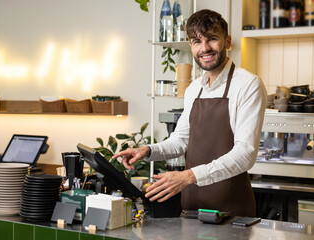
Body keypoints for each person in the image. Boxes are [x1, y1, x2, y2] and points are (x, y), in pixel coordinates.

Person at [113, 9, 266, 217]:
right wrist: (147, 151)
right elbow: (180, 140)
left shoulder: (248, 84)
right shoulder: (194, 89)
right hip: (191, 208)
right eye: (196, 41)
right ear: (191, 46)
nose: (205, 48)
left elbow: (245, 154)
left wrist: (188, 176)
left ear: (228, 41)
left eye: (212, 39)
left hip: (232, 212)